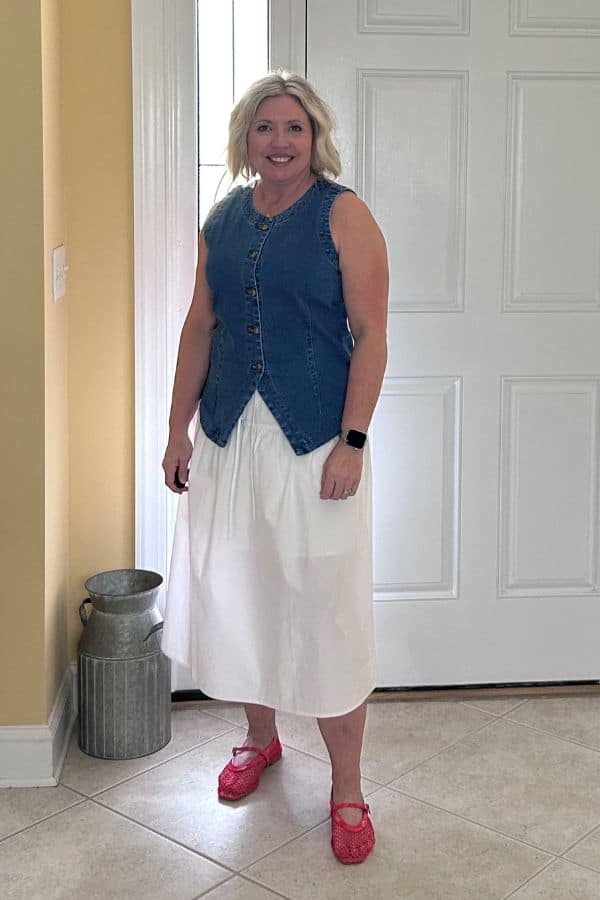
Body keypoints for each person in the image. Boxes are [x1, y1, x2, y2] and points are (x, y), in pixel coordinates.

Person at [161, 71, 388, 865]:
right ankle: (260, 739)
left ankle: (348, 786)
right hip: (230, 437)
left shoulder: (344, 214)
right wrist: (177, 429)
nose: (280, 141)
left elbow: (371, 332)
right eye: (265, 127)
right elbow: (200, 325)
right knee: (245, 592)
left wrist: (352, 441)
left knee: (326, 609)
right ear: (246, 139)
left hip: (314, 445)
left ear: (314, 136)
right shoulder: (223, 217)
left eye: (294, 127)